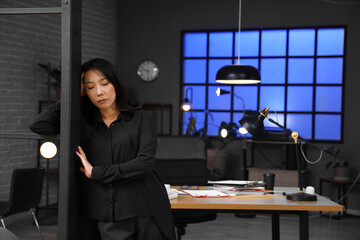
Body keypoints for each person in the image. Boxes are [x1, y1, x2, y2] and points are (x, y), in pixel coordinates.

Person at [29, 58, 175, 240]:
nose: (99, 92)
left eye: (104, 84)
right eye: (90, 87)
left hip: (147, 208)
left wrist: (96, 172)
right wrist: (71, 95)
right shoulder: (81, 123)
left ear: (115, 84)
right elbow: (38, 125)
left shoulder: (141, 118)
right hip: (109, 214)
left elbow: (144, 165)